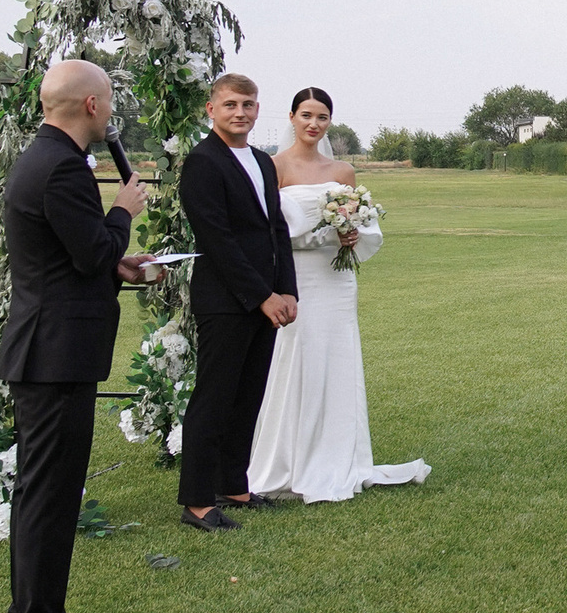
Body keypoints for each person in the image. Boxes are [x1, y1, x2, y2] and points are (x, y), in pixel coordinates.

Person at [0, 60, 153, 613]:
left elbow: (74, 256)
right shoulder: (60, 166)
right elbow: (90, 252)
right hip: (53, 354)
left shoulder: (45, 157)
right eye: (109, 101)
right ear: (91, 105)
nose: (111, 112)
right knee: (47, 497)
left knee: (56, 495)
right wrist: (123, 210)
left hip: (54, 348)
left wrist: (121, 259)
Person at [246, 88, 429, 503]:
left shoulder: (343, 171)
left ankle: (340, 456)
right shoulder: (272, 167)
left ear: (330, 122)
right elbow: (268, 230)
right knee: (295, 358)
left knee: (337, 357)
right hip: (297, 277)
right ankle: (287, 459)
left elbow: (359, 221)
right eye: (306, 115)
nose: (314, 124)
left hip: (336, 279)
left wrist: (351, 234)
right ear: (291, 117)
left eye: (322, 117)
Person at [175, 74, 298, 531]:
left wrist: (287, 289)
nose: (240, 112)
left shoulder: (264, 162)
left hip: (266, 297)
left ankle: (234, 484)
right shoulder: (203, 162)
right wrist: (262, 296)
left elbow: (275, 230)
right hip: (226, 299)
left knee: (248, 397)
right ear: (211, 109)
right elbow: (217, 239)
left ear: (258, 109)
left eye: (247, 104)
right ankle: (196, 501)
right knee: (214, 398)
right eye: (230, 105)